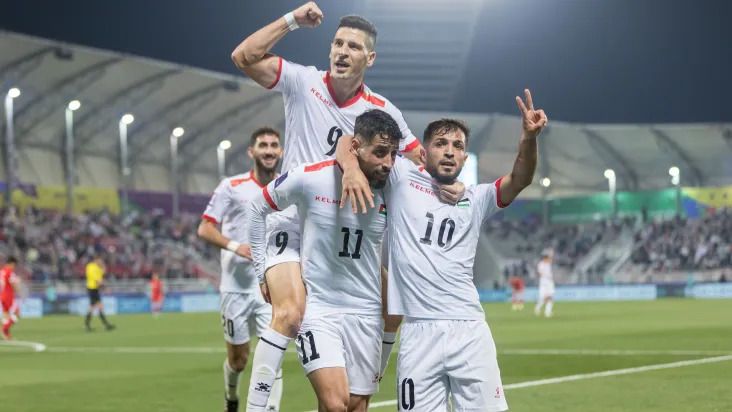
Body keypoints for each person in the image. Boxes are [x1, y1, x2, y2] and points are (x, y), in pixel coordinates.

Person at [230, 4, 463, 410]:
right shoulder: (303, 82)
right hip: (295, 217)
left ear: (368, 58)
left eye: (353, 46)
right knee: (289, 312)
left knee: (394, 306)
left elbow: (415, 161)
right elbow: (243, 57)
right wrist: (292, 21)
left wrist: (449, 180)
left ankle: (367, 381)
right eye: (337, 42)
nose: (341, 50)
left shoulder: (382, 112)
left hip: (344, 228)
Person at [338, 89, 547, 410]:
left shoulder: (477, 198)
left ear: (465, 158)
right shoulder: (401, 177)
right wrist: (351, 169)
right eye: (441, 144)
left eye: (458, 146)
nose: (450, 151)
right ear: (422, 154)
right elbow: (350, 142)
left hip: (469, 332)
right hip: (418, 333)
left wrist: (529, 139)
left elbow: (521, 177)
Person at [247, 109, 400, 411]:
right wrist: (261, 272)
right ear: (356, 148)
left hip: (367, 316)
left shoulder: (394, 187)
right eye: (381, 153)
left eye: (393, 154)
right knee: (334, 404)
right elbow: (256, 208)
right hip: (320, 311)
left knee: (356, 406)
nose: (388, 163)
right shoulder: (311, 178)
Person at [197, 127, 284, 412]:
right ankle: (231, 398)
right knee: (239, 361)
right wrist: (237, 247)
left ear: (281, 151)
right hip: (235, 288)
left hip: (271, 288)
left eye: (274, 145)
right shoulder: (231, 186)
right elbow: (205, 228)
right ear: (252, 152)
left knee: (273, 356)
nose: (269, 150)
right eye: (263, 145)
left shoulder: (287, 186)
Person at [84, 255, 115, 332]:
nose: (101, 262)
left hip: (95, 289)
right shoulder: (91, 267)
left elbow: (103, 273)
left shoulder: (96, 267)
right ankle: (88, 325)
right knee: (93, 307)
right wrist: (106, 288)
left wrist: (102, 265)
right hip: (92, 289)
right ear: (96, 260)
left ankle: (105, 324)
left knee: (98, 307)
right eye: (100, 260)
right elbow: (98, 281)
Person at [1, 256, 21, 340]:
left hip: (1, 295)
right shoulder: (10, 271)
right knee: (17, 314)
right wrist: (18, 292)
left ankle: (7, 336)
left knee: (6, 316)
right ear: (12, 263)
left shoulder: (2, 270)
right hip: (9, 295)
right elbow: (12, 283)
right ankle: (4, 328)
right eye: (14, 265)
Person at [535, 248, 556, 318]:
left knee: (550, 297)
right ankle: (538, 308)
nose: (549, 259)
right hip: (543, 282)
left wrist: (551, 252)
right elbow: (539, 273)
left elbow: (551, 257)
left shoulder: (548, 264)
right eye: (547, 258)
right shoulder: (541, 264)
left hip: (549, 282)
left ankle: (547, 312)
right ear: (545, 258)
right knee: (542, 297)